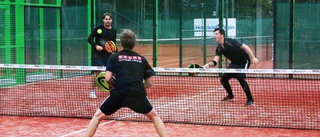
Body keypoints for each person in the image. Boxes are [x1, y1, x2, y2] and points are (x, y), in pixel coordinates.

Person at [84, 29, 168, 137]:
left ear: (121, 43)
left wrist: (116, 86)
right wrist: (136, 88)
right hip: (137, 94)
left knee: (97, 117)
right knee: (154, 116)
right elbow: (150, 83)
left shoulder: (113, 57)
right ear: (134, 43)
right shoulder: (142, 59)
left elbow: (107, 78)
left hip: (119, 93)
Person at [203, 28, 259, 106]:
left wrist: (253, 57)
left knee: (240, 77)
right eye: (214, 34)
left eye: (216, 34)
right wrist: (208, 65)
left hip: (244, 61)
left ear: (222, 35)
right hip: (234, 63)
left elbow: (245, 47)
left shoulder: (231, 41)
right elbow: (215, 61)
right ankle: (230, 96)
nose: (214, 36)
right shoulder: (219, 48)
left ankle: (250, 99)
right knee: (223, 80)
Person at [87, 12, 117, 98]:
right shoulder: (98, 29)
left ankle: (112, 91)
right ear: (103, 20)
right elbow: (89, 39)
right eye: (106, 19)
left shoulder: (113, 31)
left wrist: (115, 52)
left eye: (109, 19)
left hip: (108, 55)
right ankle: (92, 91)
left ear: (111, 20)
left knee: (111, 73)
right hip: (98, 55)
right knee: (97, 73)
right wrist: (96, 46)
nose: (108, 21)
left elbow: (113, 43)